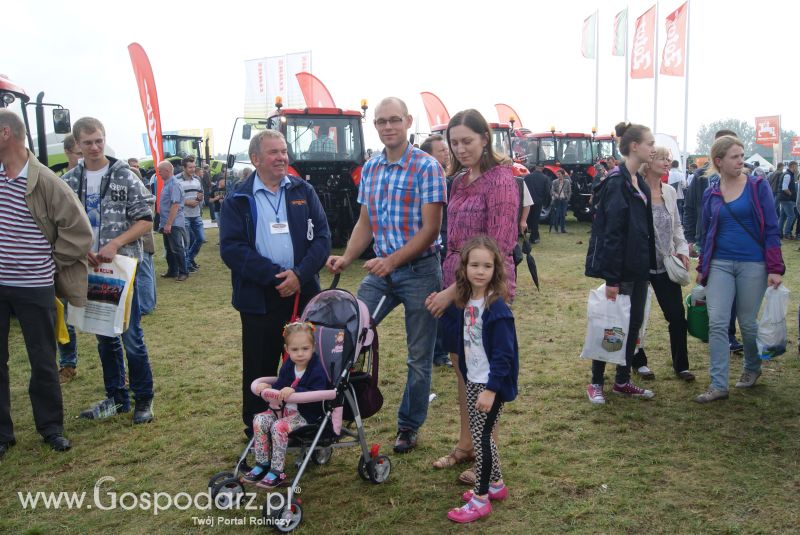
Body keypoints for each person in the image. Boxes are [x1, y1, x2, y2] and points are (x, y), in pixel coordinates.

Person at [327, 97, 446, 454]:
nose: (388, 127)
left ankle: (409, 426)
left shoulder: (427, 167)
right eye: (381, 122)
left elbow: (430, 230)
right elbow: (366, 221)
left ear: (408, 122)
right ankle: (335, 415)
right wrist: (347, 256)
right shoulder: (371, 168)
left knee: (418, 356)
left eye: (395, 120)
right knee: (347, 335)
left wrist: (392, 262)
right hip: (381, 271)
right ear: (375, 126)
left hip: (420, 271)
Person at [424, 109, 518, 486]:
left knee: (482, 375)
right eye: (454, 142)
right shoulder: (459, 180)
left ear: (485, 139)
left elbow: (500, 245)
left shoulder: (500, 180)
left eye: (467, 141)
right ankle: (468, 443)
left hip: (481, 292)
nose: (460, 149)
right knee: (463, 372)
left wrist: (453, 291)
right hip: (455, 284)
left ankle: (488, 459)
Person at [220, 130, 330, 438]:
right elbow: (232, 248)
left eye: (284, 151)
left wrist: (299, 275)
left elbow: (322, 238)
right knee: (259, 363)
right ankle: (256, 428)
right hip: (259, 297)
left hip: (303, 293)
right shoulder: (237, 199)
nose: (282, 157)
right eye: (274, 152)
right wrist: (274, 276)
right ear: (256, 159)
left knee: (307, 360)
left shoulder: (302, 190)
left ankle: (307, 422)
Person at [0, 110, 92, 455]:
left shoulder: (46, 181)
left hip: (34, 286)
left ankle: (51, 427)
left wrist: (48, 264)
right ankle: (2, 435)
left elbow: (79, 231)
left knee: (42, 358)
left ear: (6, 133)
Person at [61, 116, 156, 424]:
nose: (94, 147)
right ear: (77, 144)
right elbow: (60, 223)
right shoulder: (69, 180)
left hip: (121, 267)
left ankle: (144, 398)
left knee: (131, 335)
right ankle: (116, 398)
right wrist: (80, 249)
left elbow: (145, 219)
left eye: (98, 140)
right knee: (104, 335)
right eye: (87, 142)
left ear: (104, 138)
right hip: (89, 269)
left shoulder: (124, 175)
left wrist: (115, 244)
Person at [694, 136, 784, 403]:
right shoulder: (711, 192)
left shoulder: (758, 186)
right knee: (719, 323)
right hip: (720, 263)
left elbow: (771, 226)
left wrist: (775, 267)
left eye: (742, 155)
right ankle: (718, 384)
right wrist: (703, 266)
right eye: (734, 156)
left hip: (753, 264)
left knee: (747, 322)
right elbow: (707, 232)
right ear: (718, 161)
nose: (740, 160)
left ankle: (752, 368)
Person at [436, 236, 518, 524]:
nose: (480, 271)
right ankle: (496, 484)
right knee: (481, 434)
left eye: (487, 265)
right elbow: (458, 336)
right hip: (474, 379)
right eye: (474, 265)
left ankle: (481, 498)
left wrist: (492, 389)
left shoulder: (497, 308)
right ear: (464, 267)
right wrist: (442, 310)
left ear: (496, 270)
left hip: (490, 384)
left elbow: (504, 355)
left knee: (482, 440)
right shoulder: (467, 300)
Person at [584, 122, 657, 404]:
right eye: (649, 143)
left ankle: (623, 380)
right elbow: (611, 233)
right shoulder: (617, 182)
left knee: (632, 326)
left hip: (639, 269)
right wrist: (612, 279)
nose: (653, 148)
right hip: (622, 271)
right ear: (634, 146)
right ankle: (596, 382)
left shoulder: (640, 183)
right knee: (610, 325)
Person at [241, 322, 330, 488]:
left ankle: (277, 471)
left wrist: (294, 390)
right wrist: (267, 388)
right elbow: (280, 384)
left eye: (305, 348)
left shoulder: (316, 368)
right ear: (287, 349)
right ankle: (262, 464)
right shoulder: (289, 365)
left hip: (304, 416)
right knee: (259, 420)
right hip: (281, 410)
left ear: (313, 347)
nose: (300, 354)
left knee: (278, 427)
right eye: (295, 350)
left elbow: (317, 391)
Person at [635, 147, 694, 382]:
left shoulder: (669, 191)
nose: (667, 162)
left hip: (666, 264)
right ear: (648, 163)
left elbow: (677, 225)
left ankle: (681, 366)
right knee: (637, 316)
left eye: (669, 159)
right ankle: (638, 362)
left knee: (677, 317)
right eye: (662, 158)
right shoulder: (635, 191)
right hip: (640, 265)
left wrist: (681, 250)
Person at [683, 129, 743, 352]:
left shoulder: (745, 179)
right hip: (706, 241)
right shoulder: (700, 177)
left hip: (733, 245)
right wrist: (690, 239)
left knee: (733, 293)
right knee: (713, 290)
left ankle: (728, 334)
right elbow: (689, 208)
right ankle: (714, 329)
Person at [420, 134, 453, 368]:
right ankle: (438, 352)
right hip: (436, 245)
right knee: (438, 299)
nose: (447, 153)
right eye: (441, 150)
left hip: (448, 243)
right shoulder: (426, 181)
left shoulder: (452, 179)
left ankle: (440, 350)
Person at [56, 134, 84, 383]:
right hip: (68, 259)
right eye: (79, 153)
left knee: (104, 312)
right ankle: (67, 363)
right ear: (68, 153)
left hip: (95, 259)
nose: (83, 158)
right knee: (63, 313)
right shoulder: (60, 183)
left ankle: (118, 367)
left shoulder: (99, 178)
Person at [157, 161, 189, 282]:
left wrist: (169, 224)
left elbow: (175, 205)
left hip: (173, 223)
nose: (158, 173)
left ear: (167, 170)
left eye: (160, 170)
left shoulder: (174, 184)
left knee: (177, 248)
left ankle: (183, 272)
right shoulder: (168, 184)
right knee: (169, 248)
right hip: (168, 222)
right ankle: (172, 271)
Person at [176, 156, 204, 273]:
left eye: (194, 167)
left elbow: (201, 194)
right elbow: (175, 199)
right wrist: (186, 202)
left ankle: (190, 259)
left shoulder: (197, 179)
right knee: (186, 242)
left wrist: (199, 199)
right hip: (184, 215)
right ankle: (187, 265)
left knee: (200, 239)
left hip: (196, 214)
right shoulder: (177, 180)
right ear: (184, 167)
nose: (193, 169)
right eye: (190, 167)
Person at [524, 164, 551, 243]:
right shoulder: (545, 178)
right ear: (542, 168)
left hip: (527, 201)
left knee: (526, 218)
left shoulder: (527, 177)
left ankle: (523, 234)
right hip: (538, 201)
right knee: (535, 219)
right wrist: (545, 201)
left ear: (535, 168)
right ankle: (534, 237)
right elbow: (547, 191)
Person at [777, 161, 797, 239]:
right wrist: (791, 194)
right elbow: (785, 188)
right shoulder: (788, 175)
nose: (797, 168)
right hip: (786, 199)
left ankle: (779, 233)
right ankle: (787, 233)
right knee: (791, 216)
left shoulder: (787, 174)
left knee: (783, 216)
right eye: (796, 166)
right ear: (792, 166)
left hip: (783, 198)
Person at [551, 169, 571, 233]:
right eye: (557, 174)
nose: (558, 175)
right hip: (557, 200)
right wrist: (556, 195)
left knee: (563, 215)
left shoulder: (567, 181)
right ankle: (556, 228)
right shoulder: (554, 181)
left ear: (563, 175)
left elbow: (569, 191)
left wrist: (567, 198)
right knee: (557, 215)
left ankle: (563, 229)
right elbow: (552, 190)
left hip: (564, 200)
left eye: (559, 174)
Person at [667, 160, 686, 225]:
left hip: (669, 195)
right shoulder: (681, 174)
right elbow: (684, 185)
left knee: (670, 210)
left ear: (671, 165)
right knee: (679, 211)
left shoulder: (668, 173)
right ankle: (679, 224)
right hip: (679, 195)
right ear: (678, 165)